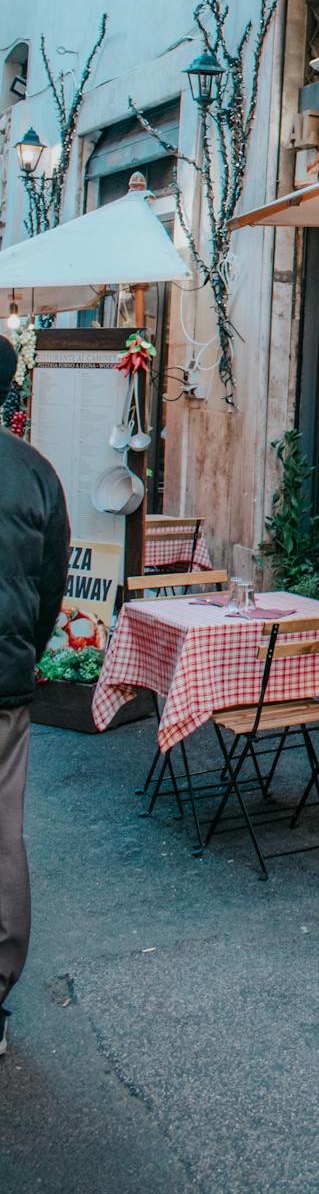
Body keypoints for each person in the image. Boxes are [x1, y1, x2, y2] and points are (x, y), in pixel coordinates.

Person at [0, 334, 70, 1057]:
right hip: (5, 684)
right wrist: (26, 650)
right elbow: (52, 587)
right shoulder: (36, 471)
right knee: (2, 836)